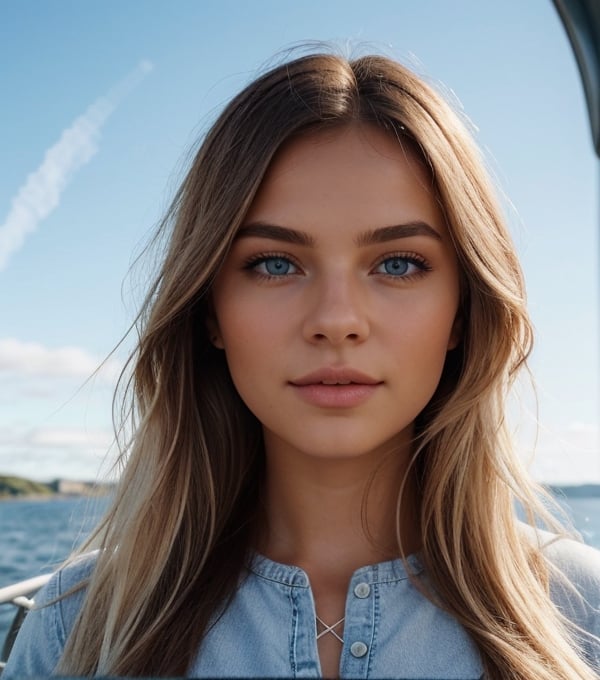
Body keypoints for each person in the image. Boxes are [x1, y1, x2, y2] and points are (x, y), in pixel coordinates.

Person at [3, 51, 600, 680]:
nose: (336, 319)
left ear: (462, 311)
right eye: (275, 263)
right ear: (210, 311)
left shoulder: (584, 615)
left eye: (398, 263)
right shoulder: (81, 625)